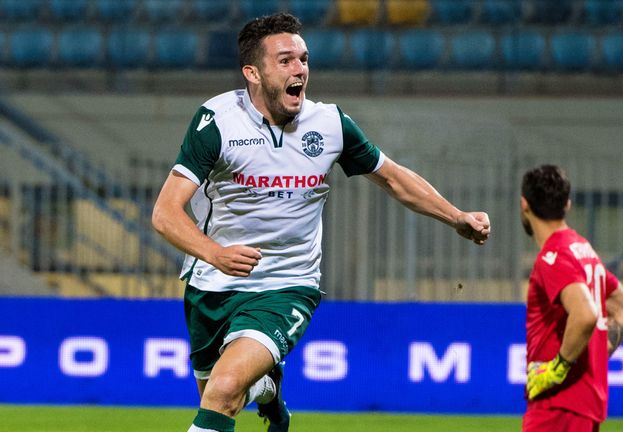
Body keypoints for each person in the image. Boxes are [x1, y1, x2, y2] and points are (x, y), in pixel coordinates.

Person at [151, 13, 491, 432]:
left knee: (222, 391)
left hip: (287, 285)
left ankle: (257, 385)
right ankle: (269, 392)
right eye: (286, 61)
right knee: (217, 394)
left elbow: (393, 177)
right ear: (252, 72)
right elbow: (165, 213)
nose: (300, 70)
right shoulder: (217, 122)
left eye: (304, 59)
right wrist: (214, 253)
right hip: (212, 283)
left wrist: (456, 216)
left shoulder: (329, 124)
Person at [519, 165, 623, 432]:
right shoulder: (582, 249)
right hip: (585, 404)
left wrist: (557, 369)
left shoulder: (554, 256)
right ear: (567, 204)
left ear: (524, 204)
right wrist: (593, 352)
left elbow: (585, 313)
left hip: (557, 405)